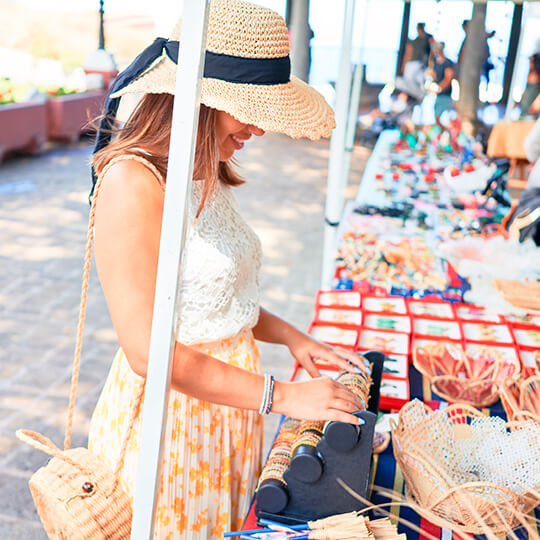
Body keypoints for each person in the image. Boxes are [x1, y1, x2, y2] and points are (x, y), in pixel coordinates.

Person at [86, 1, 367, 538]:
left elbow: (211, 295)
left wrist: (292, 338)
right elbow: (148, 351)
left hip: (228, 407)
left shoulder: (201, 168)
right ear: (199, 101)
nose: (259, 128)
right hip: (173, 422)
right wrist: (282, 395)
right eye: (248, 108)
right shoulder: (132, 181)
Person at [395, 22, 432, 101]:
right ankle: (412, 98)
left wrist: (403, 66)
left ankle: (415, 97)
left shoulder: (424, 40)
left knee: (411, 82)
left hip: (417, 65)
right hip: (417, 65)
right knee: (412, 82)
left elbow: (408, 54)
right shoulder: (420, 40)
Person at [428, 42, 456, 126]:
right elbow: (433, 78)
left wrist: (439, 89)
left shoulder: (447, 63)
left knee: (444, 119)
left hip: (446, 96)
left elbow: (448, 79)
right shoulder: (435, 63)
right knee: (436, 117)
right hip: (438, 97)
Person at [519, 53, 540, 119]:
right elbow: (527, 89)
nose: (529, 64)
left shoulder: (537, 75)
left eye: (531, 61)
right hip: (526, 108)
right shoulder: (530, 74)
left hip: (532, 110)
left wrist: (536, 105)